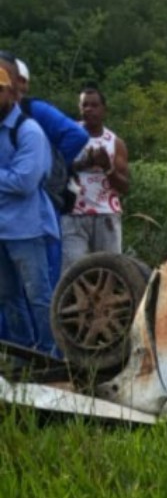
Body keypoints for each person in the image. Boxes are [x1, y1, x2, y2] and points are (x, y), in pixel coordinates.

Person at [0, 62, 60, 354]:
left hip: (26, 229)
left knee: (39, 296)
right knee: (7, 296)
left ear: (12, 93)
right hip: (2, 229)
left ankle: (50, 354)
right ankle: (22, 353)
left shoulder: (29, 131)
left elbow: (24, 181)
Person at [62, 85, 129, 271]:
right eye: (85, 105)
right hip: (72, 214)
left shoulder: (114, 142)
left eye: (94, 105)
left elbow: (125, 186)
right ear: (79, 107)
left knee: (110, 272)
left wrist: (107, 167)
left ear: (104, 109)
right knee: (72, 273)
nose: (89, 109)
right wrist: (83, 163)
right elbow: (53, 169)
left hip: (106, 214)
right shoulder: (68, 134)